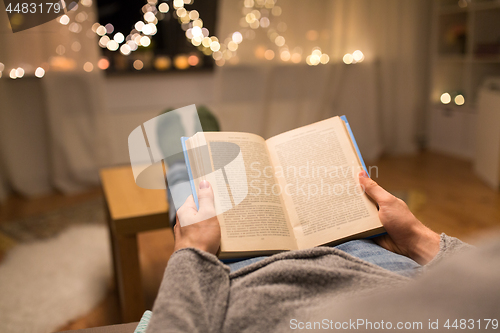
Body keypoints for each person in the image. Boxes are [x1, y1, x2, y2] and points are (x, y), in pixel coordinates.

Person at [144, 171, 500, 333]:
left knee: (186, 188)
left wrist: (190, 252)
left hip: (243, 274)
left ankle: (181, 167)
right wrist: (419, 239)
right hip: (377, 258)